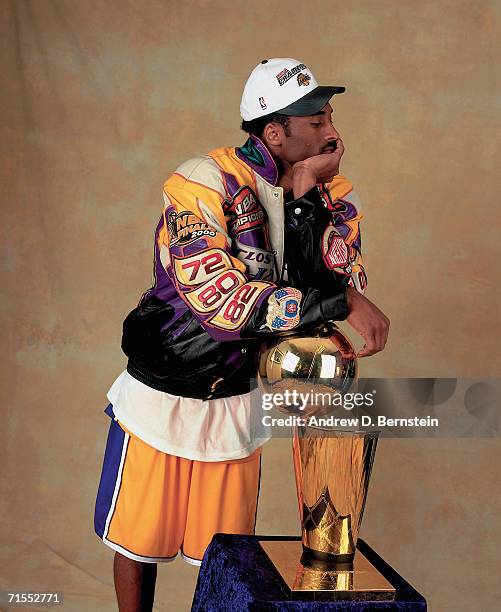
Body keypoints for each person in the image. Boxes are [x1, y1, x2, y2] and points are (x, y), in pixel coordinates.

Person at [94, 57, 389, 611]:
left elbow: (329, 284)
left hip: (233, 396)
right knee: (138, 542)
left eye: (330, 117)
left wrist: (303, 203)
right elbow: (223, 305)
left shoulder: (332, 195)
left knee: (224, 556)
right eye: (317, 122)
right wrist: (343, 300)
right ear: (274, 132)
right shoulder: (203, 181)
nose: (334, 134)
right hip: (165, 388)